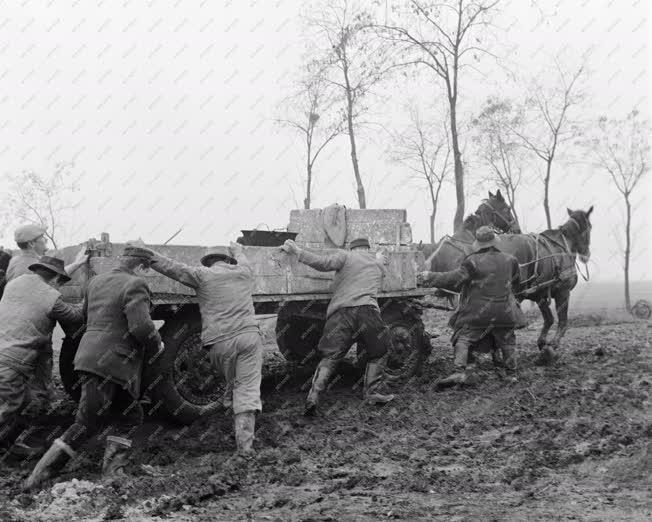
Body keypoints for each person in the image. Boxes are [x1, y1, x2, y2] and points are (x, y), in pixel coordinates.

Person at [24, 244, 163, 490]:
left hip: (91, 357)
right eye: (148, 269)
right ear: (142, 266)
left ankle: (113, 474)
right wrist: (157, 344)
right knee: (86, 423)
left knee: (131, 415)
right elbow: (141, 327)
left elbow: (85, 318)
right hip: (112, 363)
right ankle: (37, 477)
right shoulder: (136, 284)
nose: (148, 274)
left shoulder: (96, 282)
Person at [143, 242, 263, 455]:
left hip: (219, 344)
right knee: (246, 389)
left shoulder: (202, 275)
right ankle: (245, 447)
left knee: (233, 382)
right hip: (248, 339)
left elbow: (173, 268)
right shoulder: (244, 272)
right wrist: (238, 250)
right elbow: (244, 259)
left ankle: (232, 418)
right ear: (228, 260)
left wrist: (146, 254)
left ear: (208, 261)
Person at [281, 237, 396, 416]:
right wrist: (380, 261)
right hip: (367, 311)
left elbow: (322, 263)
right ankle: (372, 393)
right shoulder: (377, 263)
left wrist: (297, 251)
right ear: (367, 248)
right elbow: (384, 278)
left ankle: (313, 396)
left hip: (341, 314)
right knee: (380, 350)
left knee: (330, 357)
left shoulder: (345, 256)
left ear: (353, 249)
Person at [417, 226, 527, 387]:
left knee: (463, 336)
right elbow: (517, 284)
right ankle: (511, 374)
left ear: (478, 243)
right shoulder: (511, 260)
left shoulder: (472, 261)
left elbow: (453, 278)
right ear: (494, 242)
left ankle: (461, 371)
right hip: (505, 312)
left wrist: (430, 276)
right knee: (507, 340)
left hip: (477, 314)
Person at [0, 257, 84, 457]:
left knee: (21, 402)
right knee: (10, 405)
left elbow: (45, 285)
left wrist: (79, 261)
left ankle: (7, 445)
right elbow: (76, 317)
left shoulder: (15, 282)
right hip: (12, 360)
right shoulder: (51, 297)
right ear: (55, 279)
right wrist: (91, 298)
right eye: (60, 281)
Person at [4, 224, 89, 418]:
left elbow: (47, 279)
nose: (46, 241)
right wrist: (89, 300)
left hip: (13, 337)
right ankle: (37, 416)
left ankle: (29, 417)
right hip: (25, 340)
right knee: (30, 384)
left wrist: (75, 264)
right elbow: (47, 289)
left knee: (19, 387)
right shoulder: (24, 267)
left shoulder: (21, 262)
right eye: (43, 238)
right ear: (33, 243)